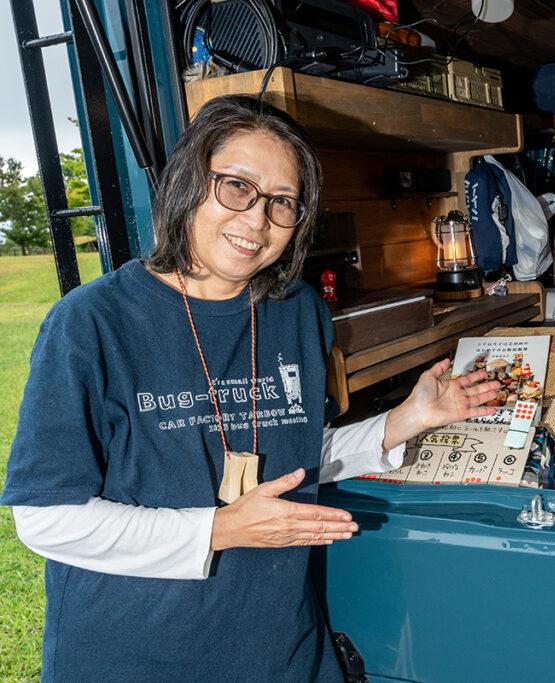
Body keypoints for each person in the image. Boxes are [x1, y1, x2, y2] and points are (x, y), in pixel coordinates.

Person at [1, 95, 499, 681]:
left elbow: (288, 453)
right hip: (137, 654)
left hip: (280, 647)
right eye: (237, 187)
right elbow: (46, 518)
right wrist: (222, 529)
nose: (258, 221)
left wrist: (404, 421)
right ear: (189, 182)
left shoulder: (296, 310)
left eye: (282, 202)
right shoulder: (90, 323)